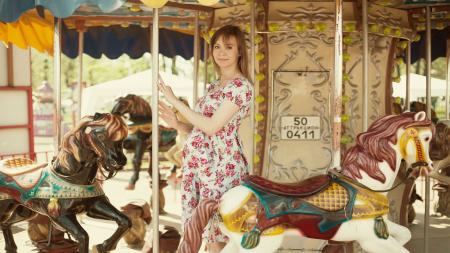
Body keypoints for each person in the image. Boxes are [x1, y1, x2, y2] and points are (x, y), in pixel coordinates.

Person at [158, 25, 253, 253]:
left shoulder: (240, 87)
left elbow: (212, 127)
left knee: (217, 231)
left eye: (228, 47)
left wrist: (176, 101)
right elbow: (201, 131)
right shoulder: (214, 87)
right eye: (217, 47)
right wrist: (178, 124)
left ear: (239, 51)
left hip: (221, 166)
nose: (221, 52)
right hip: (198, 168)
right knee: (200, 230)